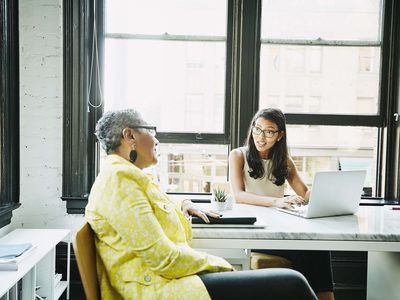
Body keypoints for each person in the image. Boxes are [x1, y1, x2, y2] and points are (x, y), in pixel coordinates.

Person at [85, 108, 318, 300]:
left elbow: (152, 204)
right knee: (292, 283)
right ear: (130, 136)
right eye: (150, 131)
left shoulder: (127, 175)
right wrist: (220, 264)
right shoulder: (120, 180)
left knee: (291, 280)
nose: (156, 139)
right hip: (156, 288)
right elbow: (163, 259)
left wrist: (184, 202)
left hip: (163, 280)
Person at [229, 108, 335, 300]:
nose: (261, 137)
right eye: (257, 129)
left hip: (277, 230)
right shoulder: (238, 155)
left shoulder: (284, 161)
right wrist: (277, 202)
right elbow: (239, 195)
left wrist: (330, 189)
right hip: (253, 231)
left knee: (318, 247)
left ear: (280, 136)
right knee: (308, 252)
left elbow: (305, 194)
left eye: (269, 132)